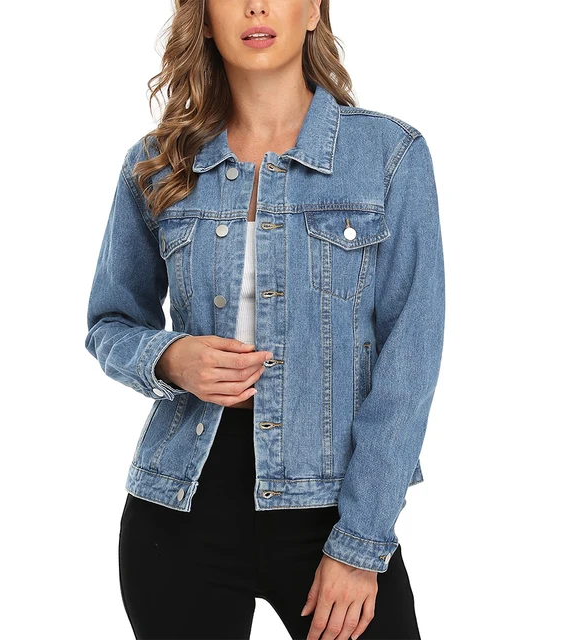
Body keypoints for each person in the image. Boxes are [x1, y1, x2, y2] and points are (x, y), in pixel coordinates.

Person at [84, 1, 445, 638]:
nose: (256, 5)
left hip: (332, 505)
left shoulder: (388, 156)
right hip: (181, 503)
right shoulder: (160, 161)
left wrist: (361, 544)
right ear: (204, 17)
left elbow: (409, 361)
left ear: (313, 11)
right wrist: (171, 358)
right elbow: (110, 321)